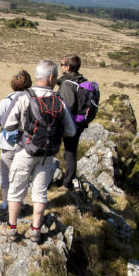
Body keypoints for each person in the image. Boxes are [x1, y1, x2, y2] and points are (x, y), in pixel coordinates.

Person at [0, 60, 75, 243]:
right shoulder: (60, 101)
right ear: (51, 77)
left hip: (25, 151)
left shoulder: (25, 97)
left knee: (16, 191)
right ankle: (35, 230)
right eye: (55, 77)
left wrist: (24, 127)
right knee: (40, 193)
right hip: (47, 155)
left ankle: (11, 228)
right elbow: (71, 130)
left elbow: (6, 124)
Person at [0, 70, 32, 220]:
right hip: (26, 144)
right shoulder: (32, 99)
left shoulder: (7, 101)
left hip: (7, 144)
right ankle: (21, 202)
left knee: (6, 176)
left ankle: (6, 203)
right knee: (23, 175)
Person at [55, 54, 91, 189]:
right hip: (79, 121)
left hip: (69, 122)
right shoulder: (81, 80)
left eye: (62, 64)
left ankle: (64, 182)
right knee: (71, 151)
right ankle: (68, 180)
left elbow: (67, 106)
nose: (61, 67)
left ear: (68, 67)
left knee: (63, 150)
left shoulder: (67, 84)